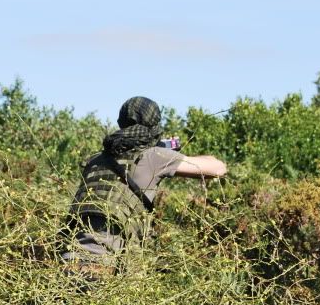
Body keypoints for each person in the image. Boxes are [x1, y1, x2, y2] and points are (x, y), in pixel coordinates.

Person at [61, 96, 226, 273]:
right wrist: (168, 153)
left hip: (68, 262)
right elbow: (217, 168)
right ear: (154, 127)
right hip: (103, 267)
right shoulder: (154, 156)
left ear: (121, 123)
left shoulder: (95, 160)